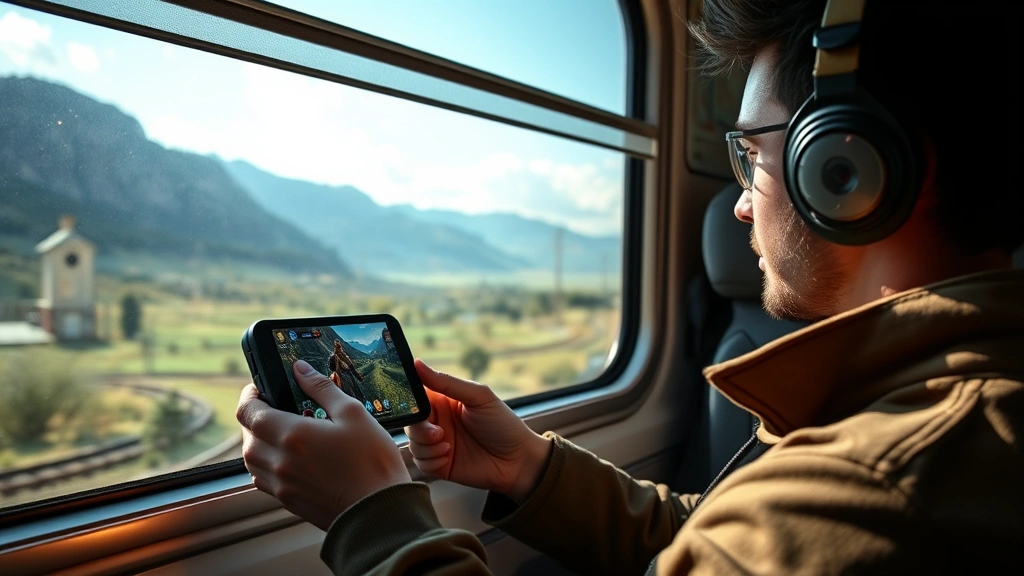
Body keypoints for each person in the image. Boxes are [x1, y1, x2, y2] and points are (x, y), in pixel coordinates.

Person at [235, 0, 1024, 573]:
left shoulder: (873, 488)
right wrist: (528, 470)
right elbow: (721, 541)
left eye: (754, 153)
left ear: (849, 169)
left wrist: (371, 520)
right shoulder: (944, 417)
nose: (741, 202)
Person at [328, 339, 366, 404]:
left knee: (352, 393)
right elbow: (352, 368)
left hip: (346, 376)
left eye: (339, 347)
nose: (340, 349)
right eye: (339, 347)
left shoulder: (342, 357)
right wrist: (358, 377)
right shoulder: (336, 357)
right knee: (350, 393)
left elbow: (352, 368)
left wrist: (358, 377)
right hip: (343, 377)